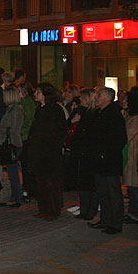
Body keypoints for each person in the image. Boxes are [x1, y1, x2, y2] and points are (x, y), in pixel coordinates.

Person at [88, 86, 127, 234]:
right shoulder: (100, 113)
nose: (96, 97)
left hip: (109, 161)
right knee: (103, 192)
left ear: (107, 98)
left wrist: (105, 153)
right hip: (100, 160)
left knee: (113, 192)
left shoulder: (113, 114)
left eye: (99, 95)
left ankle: (115, 223)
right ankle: (106, 219)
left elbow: (119, 139)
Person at [28, 83, 68, 220]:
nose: (35, 94)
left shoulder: (55, 110)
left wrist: (51, 147)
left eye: (38, 92)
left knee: (51, 182)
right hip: (39, 152)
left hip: (50, 153)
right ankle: (44, 209)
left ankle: (53, 210)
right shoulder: (40, 110)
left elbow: (59, 132)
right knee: (41, 182)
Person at [70, 88, 99, 220]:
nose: (80, 99)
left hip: (89, 154)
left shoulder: (93, 115)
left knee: (89, 184)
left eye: (82, 97)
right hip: (82, 153)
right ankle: (85, 209)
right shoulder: (83, 113)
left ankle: (89, 210)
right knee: (83, 183)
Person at [0, 86, 25, 207]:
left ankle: (16, 198)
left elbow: (12, 129)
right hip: (13, 142)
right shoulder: (14, 109)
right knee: (13, 171)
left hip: (12, 143)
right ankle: (15, 197)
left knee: (13, 172)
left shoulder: (14, 110)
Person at [123, 86, 138, 225]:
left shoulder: (135, 119)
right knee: (132, 188)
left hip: (134, 159)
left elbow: (126, 135)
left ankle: (134, 214)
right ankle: (133, 212)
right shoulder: (131, 117)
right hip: (131, 158)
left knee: (134, 188)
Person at [18, 82, 36, 202]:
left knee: (26, 166)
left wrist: (20, 131)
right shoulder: (29, 102)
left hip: (26, 137)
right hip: (27, 136)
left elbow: (27, 121)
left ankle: (29, 191)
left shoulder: (26, 104)